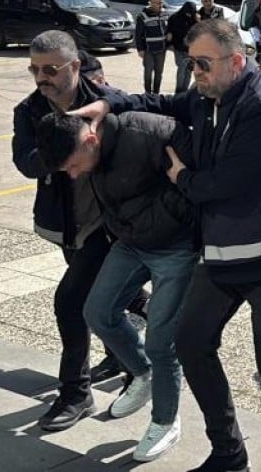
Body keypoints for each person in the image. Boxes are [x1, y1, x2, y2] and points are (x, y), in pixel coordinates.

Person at [73, 18, 261, 471]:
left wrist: (180, 176)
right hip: (224, 257)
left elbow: (223, 184)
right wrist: (109, 101)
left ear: (236, 62)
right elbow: (164, 102)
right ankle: (229, 454)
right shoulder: (208, 98)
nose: (195, 73)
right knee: (191, 345)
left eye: (203, 64)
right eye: (191, 63)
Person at [35, 112, 196, 462]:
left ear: (91, 140)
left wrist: (179, 215)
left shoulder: (147, 133)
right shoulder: (88, 150)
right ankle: (143, 373)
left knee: (161, 341)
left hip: (176, 246)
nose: (74, 174)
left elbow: (197, 176)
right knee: (97, 312)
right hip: (131, 241)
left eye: (74, 165)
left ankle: (165, 421)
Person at [11, 30, 134, 431]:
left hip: (107, 224)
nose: (41, 77)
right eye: (34, 69)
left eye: (50, 69)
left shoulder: (107, 101)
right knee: (107, 299)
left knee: (70, 302)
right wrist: (63, 144)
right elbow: (25, 162)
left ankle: (77, 392)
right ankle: (130, 362)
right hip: (69, 225)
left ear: (75, 66)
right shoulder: (29, 110)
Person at [136, 0, 169, 94]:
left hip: (161, 49)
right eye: (155, 3)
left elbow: (167, 28)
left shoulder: (165, 13)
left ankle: (156, 94)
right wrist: (140, 49)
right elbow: (138, 34)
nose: (158, 5)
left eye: (160, 3)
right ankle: (148, 94)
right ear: (150, 3)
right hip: (148, 49)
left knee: (159, 73)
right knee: (148, 73)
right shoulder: (143, 15)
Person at [169, 1, 199, 93]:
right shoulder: (175, 17)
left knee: (189, 69)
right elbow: (169, 30)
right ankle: (178, 90)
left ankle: (185, 91)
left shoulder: (195, 19)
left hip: (191, 49)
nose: (189, 14)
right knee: (182, 67)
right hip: (179, 48)